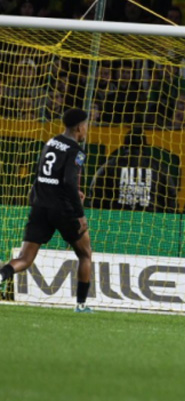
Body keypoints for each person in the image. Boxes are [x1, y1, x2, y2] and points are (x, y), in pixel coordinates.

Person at [0, 108, 93, 313]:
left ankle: (1, 275)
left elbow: (41, 173)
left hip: (40, 206)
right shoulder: (76, 150)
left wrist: (36, 197)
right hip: (63, 209)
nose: (87, 128)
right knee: (85, 254)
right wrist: (80, 214)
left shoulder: (51, 142)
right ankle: (81, 305)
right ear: (79, 127)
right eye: (86, 124)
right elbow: (68, 181)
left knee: (25, 258)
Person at [89, 127, 177, 213]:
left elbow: (95, 190)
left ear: (124, 146)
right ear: (145, 147)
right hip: (150, 221)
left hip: (116, 220)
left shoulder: (110, 166)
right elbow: (171, 195)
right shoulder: (159, 168)